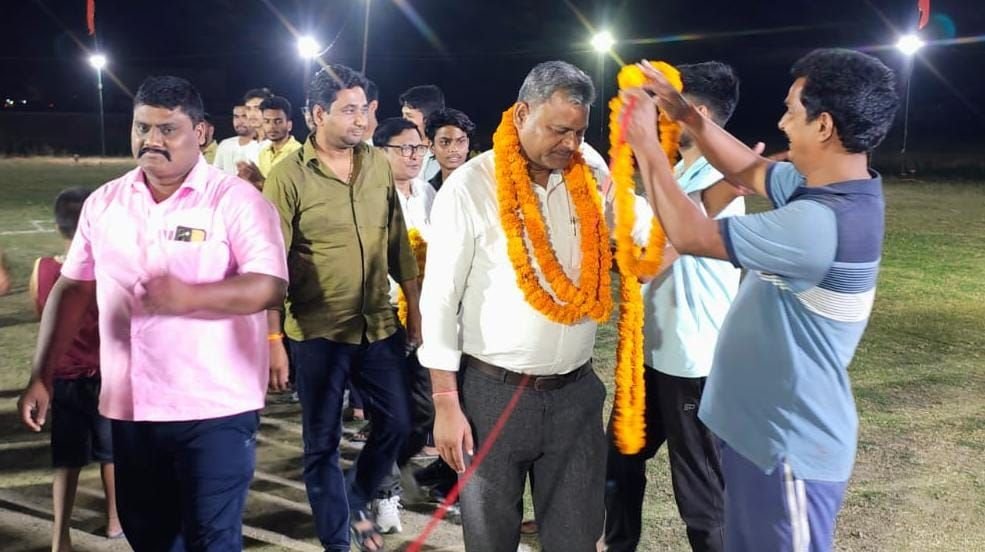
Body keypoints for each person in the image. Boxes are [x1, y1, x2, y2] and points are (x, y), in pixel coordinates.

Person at [621, 48, 899, 551]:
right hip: (760, 437)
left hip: (786, 449)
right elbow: (749, 166)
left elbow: (689, 235)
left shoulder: (819, 224)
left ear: (824, 126)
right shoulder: (832, 192)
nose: (781, 123)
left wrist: (645, 144)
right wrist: (687, 116)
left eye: (792, 111)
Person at [18, 75, 288, 551]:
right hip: (131, 406)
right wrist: (43, 375)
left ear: (201, 133)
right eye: (142, 128)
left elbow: (269, 284)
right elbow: (73, 288)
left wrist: (191, 297)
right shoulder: (105, 202)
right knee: (149, 537)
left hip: (216, 409)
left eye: (167, 129)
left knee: (211, 538)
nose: (151, 140)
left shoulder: (235, 200)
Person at [418, 60, 611, 552]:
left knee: (577, 539)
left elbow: (629, 245)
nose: (570, 143)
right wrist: (445, 401)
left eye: (579, 132)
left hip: (576, 394)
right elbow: (439, 299)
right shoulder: (471, 186)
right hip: (493, 395)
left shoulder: (589, 175)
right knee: (491, 541)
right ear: (522, 113)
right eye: (558, 130)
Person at [263, 64, 419, 552]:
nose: (362, 121)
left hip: (377, 323)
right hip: (317, 331)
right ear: (317, 114)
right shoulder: (287, 177)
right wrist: (273, 338)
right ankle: (337, 539)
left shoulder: (376, 164)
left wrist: (414, 308)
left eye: (364, 110)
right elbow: (270, 264)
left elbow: (397, 242)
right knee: (322, 441)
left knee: (399, 422)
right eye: (349, 111)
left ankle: (352, 497)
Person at [604, 61, 745, 552]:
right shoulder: (681, 171)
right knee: (620, 460)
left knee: (700, 492)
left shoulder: (720, 180)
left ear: (696, 112)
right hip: (653, 354)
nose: (655, 113)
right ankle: (618, 544)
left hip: (693, 360)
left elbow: (651, 262)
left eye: (663, 103)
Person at [27, 187, 122, 551]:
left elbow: (43, 315)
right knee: (111, 456)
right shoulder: (107, 270)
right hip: (106, 375)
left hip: (64, 376)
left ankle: (60, 536)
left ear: (58, 226)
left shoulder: (43, 268)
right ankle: (114, 521)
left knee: (66, 460)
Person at [238, 96, 302, 187]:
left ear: (289, 125)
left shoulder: (297, 153)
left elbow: (291, 190)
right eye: (267, 121)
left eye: (278, 121)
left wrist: (260, 179)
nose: (271, 127)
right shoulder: (264, 153)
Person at [399, 84, 445, 182]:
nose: (403, 121)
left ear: (428, 119)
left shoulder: (446, 156)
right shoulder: (396, 148)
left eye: (409, 116)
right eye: (403, 115)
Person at [424, 108, 475, 192]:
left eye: (461, 141)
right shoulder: (428, 192)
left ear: (467, 144)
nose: (454, 149)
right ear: (432, 146)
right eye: (445, 142)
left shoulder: (484, 182)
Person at [213, 104, 265, 176]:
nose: (240, 122)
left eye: (244, 116)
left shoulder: (265, 146)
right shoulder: (225, 144)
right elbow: (215, 175)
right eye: (236, 117)